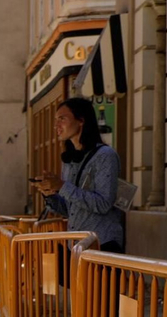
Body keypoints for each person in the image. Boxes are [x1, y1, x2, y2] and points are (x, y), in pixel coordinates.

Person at [32, 97, 125, 253]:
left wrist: (62, 186)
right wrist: (50, 194)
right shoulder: (69, 160)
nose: (56, 125)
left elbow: (103, 204)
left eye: (62, 119)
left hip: (102, 245)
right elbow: (70, 209)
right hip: (76, 247)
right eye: (56, 120)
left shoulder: (105, 155)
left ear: (81, 120)